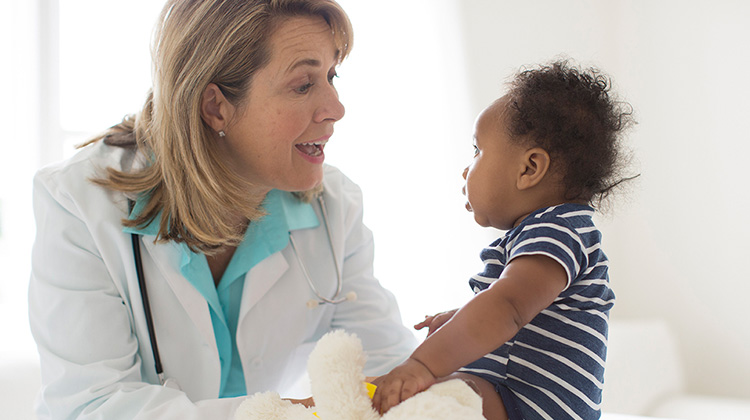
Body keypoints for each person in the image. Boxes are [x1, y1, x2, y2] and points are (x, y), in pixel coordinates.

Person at [28, 0, 417, 418]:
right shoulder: (79, 203)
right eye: (303, 85)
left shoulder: (333, 207)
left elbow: (391, 368)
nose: (336, 109)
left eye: (331, 76)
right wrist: (284, 414)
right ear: (216, 107)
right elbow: (91, 405)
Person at [372, 59, 635, 419]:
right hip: (514, 396)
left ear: (529, 169)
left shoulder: (558, 230)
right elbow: (518, 308)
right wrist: (462, 316)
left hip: (532, 406)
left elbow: (507, 307)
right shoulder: (548, 233)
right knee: (424, 394)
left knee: (434, 391)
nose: (467, 169)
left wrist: (422, 364)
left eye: (478, 150)